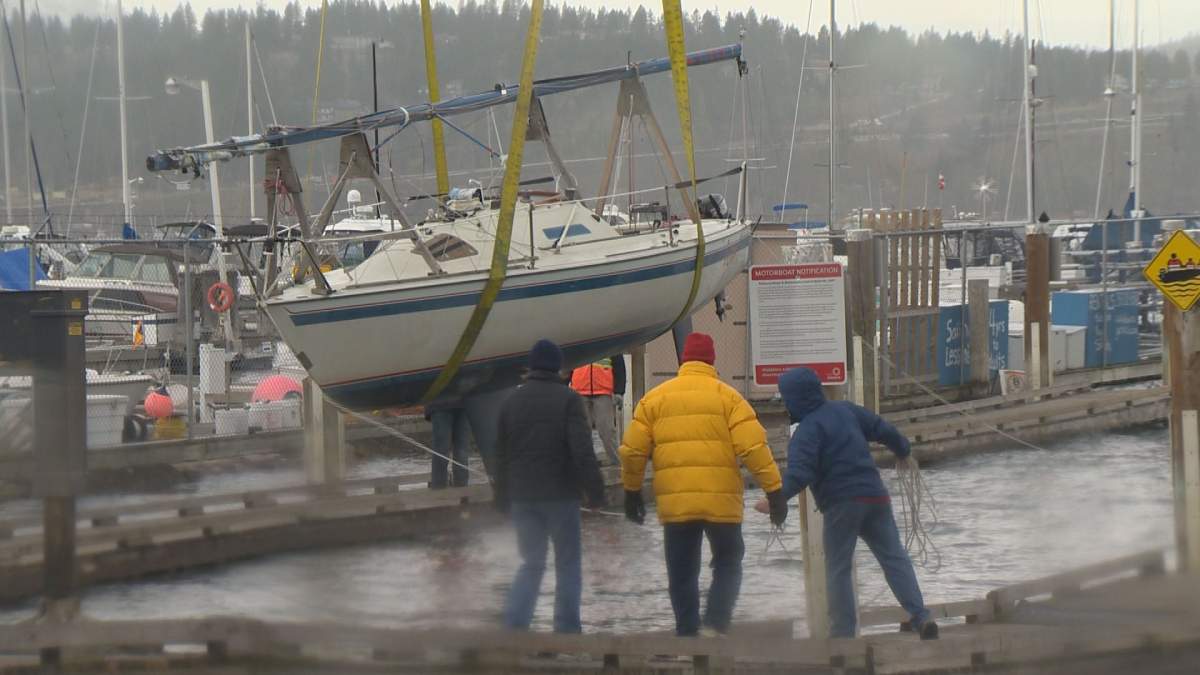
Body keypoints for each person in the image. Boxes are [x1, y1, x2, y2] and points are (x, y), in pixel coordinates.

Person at [619, 332, 787, 637]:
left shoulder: (654, 399)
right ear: (712, 361)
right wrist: (774, 492)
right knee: (728, 561)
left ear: (683, 360)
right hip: (721, 504)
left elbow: (632, 451)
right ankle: (715, 624)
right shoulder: (729, 398)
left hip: (677, 505)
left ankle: (687, 632)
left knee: (682, 571)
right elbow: (753, 448)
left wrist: (631, 492)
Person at [757, 367, 938, 640]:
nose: (785, 404)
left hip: (842, 504)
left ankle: (843, 636)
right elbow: (881, 428)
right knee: (894, 558)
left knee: (838, 568)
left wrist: (774, 500)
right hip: (876, 497)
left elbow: (799, 474)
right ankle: (921, 617)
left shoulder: (806, 431)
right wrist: (903, 449)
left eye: (786, 398)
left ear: (795, 400)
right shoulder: (846, 410)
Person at [495, 338, 608, 634]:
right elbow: (582, 449)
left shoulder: (511, 401)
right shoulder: (568, 399)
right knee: (567, 564)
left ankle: (515, 627)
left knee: (531, 563)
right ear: (558, 367)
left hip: (522, 498)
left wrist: (502, 499)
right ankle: (566, 630)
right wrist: (595, 492)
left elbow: (500, 455)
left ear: (530, 367)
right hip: (560, 496)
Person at [569, 355, 626, 466]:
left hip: (603, 391)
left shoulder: (609, 342)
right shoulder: (579, 341)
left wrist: (619, 391)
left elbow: (619, 368)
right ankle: (581, 463)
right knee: (581, 431)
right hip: (580, 390)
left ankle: (616, 462)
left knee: (607, 430)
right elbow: (568, 366)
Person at [425, 398, 472, 489]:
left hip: (461, 403)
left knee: (457, 452)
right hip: (443, 404)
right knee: (446, 451)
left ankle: (460, 492)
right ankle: (443, 492)